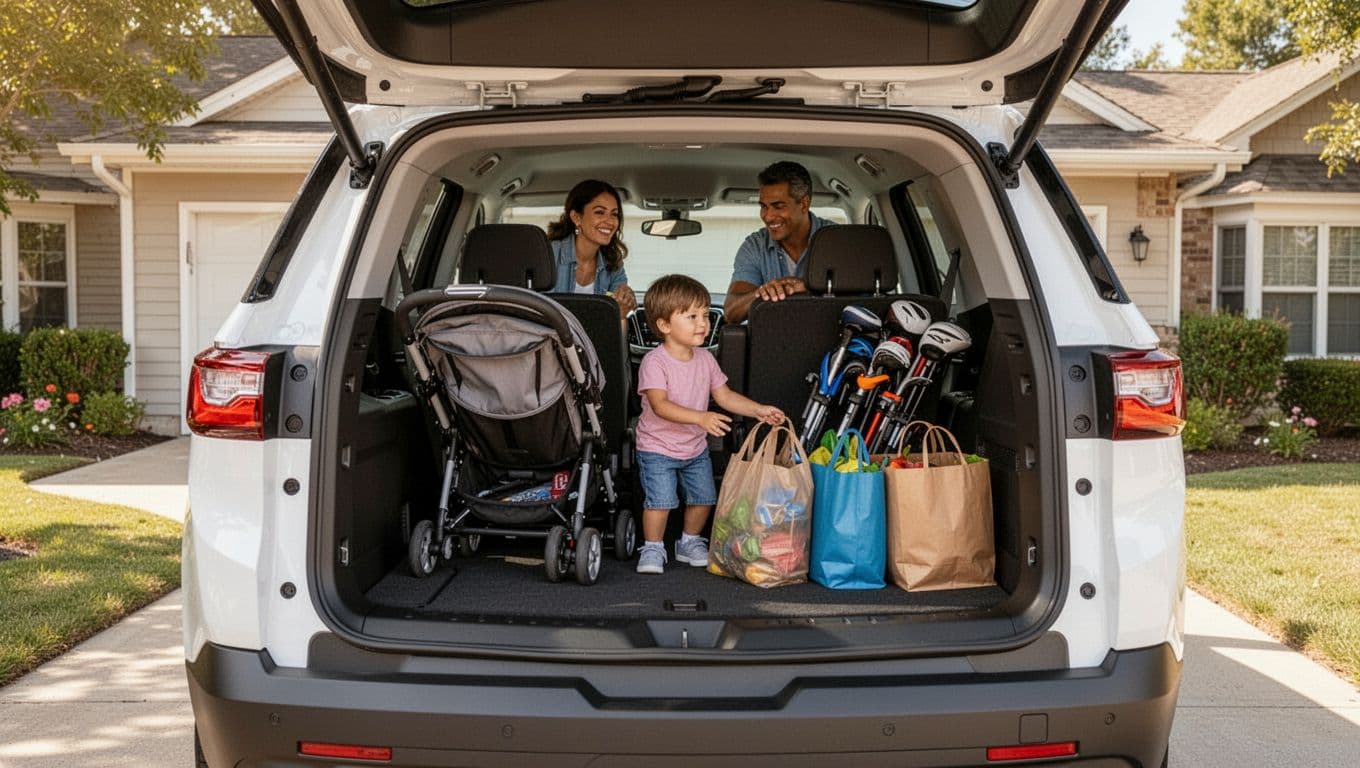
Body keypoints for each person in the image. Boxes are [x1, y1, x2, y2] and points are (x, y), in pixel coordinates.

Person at [633, 274, 785, 574]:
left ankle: (689, 542)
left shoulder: (705, 359)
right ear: (664, 325)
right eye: (692, 317)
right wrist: (701, 418)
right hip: (657, 447)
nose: (703, 323)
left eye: (705, 314)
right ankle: (653, 546)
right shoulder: (655, 362)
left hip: (694, 448)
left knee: (703, 498)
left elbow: (724, 396)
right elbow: (660, 405)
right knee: (660, 501)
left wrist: (758, 410)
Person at [722, 161, 834, 324]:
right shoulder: (755, 246)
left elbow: (861, 302)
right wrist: (763, 292)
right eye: (764, 206)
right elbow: (731, 313)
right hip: (773, 338)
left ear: (804, 204)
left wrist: (810, 288)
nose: (768, 216)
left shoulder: (837, 240)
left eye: (778, 206)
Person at [546, 179, 638, 318]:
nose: (610, 221)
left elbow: (618, 320)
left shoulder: (613, 263)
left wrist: (624, 307)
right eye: (600, 212)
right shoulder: (548, 255)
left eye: (614, 214)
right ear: (576, 217)